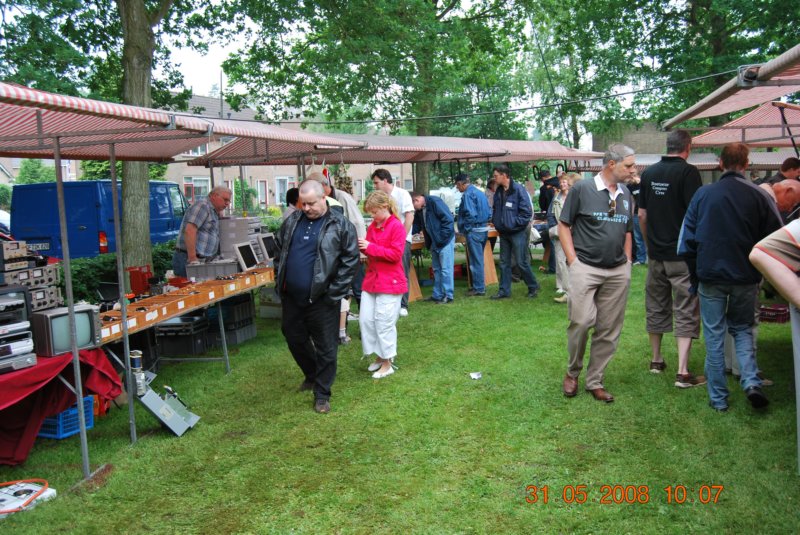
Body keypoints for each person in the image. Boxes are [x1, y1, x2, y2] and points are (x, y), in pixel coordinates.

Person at [678, 142, 782, 412]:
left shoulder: (703, 194)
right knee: (742, 328)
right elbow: (776, 238)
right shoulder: (759, 195)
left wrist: (695, 275)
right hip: (745, 276)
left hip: (710, 274)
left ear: (720, 163)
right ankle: (750, 381)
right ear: (746, 164)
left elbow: (686, 241)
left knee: (714, 336)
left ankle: (718, 399)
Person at [559, 144, 636, 403]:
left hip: (617, 271)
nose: (633, 170)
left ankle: (595, 381)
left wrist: (627, 262)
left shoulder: (626, 193)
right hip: (586, 268)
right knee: (581, 322)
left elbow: (627, 230)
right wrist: (573, 261)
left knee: (609, 329)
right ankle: (572, 372)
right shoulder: (582, 188)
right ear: (611, 164)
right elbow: (564, 225)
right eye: (629, 165)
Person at [275, 180, 360, 414]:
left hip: (323, 299)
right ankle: (312, 374)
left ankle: (322, 394)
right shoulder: (292, 221)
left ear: (324, 198)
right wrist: (280, 279)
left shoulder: (340, 225)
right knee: (294, 337)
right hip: (292, 297)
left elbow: (350, 261)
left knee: (326, 347)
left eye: (311, 203)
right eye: (303, 204)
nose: (307, 208)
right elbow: (279, 251)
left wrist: (333, 293)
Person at [638, 129, 705, 387]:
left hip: (656, 255)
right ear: (688, 147)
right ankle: (682, 371)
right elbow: (696, 215)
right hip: (682, 256)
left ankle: (656, 360)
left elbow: (642, 215)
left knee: (656, 304)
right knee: (685, 307)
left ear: (668, 145)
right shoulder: (689, 173)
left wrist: (649, 245)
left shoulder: (649, 173)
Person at [307, 172, 367, 344]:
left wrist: (361, 251)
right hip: (336, 256)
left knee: (358, 291)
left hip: (351, 253)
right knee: (341, 291)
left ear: (323, 186)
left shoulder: (342, 198)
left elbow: (357, 222)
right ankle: (340, 329)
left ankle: (365, 328)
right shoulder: (322, 201)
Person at [358, 191, 408, 379]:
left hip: (390, 281)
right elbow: (372, 251)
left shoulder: (396, 226)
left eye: (374, 212)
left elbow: (395, 255)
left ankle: (387, 363)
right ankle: (380, 356)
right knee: (366, 320)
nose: (372, 216)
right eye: (370, 213)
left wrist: (370, 247)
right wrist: (363, 248)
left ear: (384, 207)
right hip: (372, 280)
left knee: (383, 322)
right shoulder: (373, 226)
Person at [490, 164, 540, 300]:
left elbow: (526, 213)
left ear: (504, 175)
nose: (494, 178)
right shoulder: (499, 191)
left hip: (517, 232)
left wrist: (513, 224)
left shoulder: (518, 190)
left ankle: (533, 286)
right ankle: (504, 291)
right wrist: (497, 222)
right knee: (504, 263)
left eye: (496, 176)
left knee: (521, 262)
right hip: (503, 232)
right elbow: (496, 209)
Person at [371, 169, 414, 317]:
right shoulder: (381, 198)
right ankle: (390, 300)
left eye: (376, 182)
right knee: (388, 270)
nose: (375, 186)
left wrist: (401, 238)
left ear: (385, 180)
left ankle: (403, 305)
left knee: (402, 270)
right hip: (385, 240)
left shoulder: (402, 194)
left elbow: (409, 217)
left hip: (401, 240)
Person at [172, 186, 232, 277]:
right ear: (214, 196)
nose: (227, 203)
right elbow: (190, 230)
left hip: (201, 260)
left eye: (229, 201)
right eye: (225, 199)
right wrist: (192, 258)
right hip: (189, 259)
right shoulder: (202, 206)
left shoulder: (212, 210)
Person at [411, 192, 456, 303]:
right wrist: (403, 233)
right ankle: (437, 295)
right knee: (437, 269)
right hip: (434, 242)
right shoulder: (420, 210)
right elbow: (416, 226)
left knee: (445, 269)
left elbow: (448, 219)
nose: (413, 209)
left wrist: (441, 238)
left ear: (417, 200)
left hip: (444, 241)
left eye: (413, 206)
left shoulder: (435, 202)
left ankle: (448, 295)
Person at [455, 173, 492, 297]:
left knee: (476, 261)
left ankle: (479, 288)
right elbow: (489, 212)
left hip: (474, 231)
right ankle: (479, 286)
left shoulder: (468, 194)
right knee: (479, 259)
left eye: (457, 186)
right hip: (483, 230)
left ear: (460, 183)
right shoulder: (480, 193)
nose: (457, 188)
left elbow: (470, 215)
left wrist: (467, 229)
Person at [547, 172, 580, 303]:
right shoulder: (556, 198)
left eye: (565, 182)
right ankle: (564, 287)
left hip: (575, 234)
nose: (562, 184)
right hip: (559, 232)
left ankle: (573, 288)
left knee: (573, 261)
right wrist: (555, 227)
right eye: (561, 182)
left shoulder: (576, 197)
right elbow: (550, 214)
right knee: (560, 260)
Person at [626, 172, 647, 265]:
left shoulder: (645, 184)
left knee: (648, 236)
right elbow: (632, 201)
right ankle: (641, 259)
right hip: (636, 214)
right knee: (638, 237)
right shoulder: (630, 186)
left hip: (647, 213)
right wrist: (631, 214)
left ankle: (650, 258)